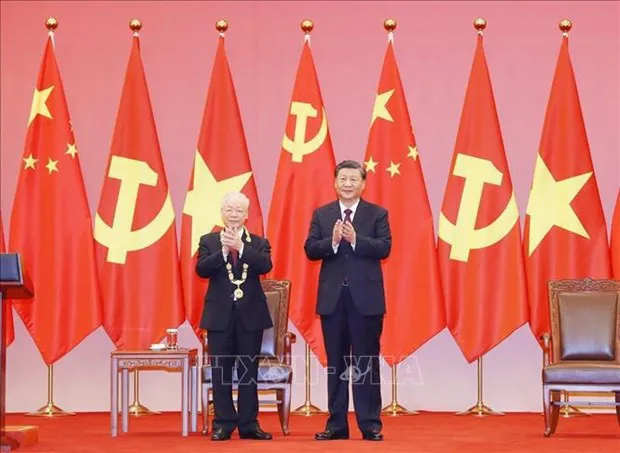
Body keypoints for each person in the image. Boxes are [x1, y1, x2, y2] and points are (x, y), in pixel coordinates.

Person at [305, 160, 391, 441]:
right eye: (343, 178)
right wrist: (331, 242)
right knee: (337, 364)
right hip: (333, 301)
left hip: (365, 301)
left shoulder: (377, 214)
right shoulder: (323, 214)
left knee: (366, 362)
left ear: (363, 184)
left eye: (354, 179)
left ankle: (370, 425)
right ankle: (336, 425)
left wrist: (356, 240)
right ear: (335, 182)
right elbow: (310, 250)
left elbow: (384, 247)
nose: (348, 183)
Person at [195, 192, 273, 441]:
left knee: (249, 370)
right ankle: (223, 423)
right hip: (219, 316)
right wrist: (224, 252)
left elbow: (265, 266)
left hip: (251, 315)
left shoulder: (258, 242)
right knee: (221, 370)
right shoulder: (208, 240)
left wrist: (241, 248)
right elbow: (202, 269)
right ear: (222, 212)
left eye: (239, 210)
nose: (233, 214)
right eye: (229, 209)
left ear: (247, 215)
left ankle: (249, 424)